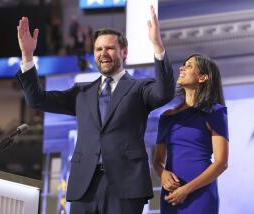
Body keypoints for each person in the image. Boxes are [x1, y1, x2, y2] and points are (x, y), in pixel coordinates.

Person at [16, 6, 174, 214]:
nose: (103, 54)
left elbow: (164, 92)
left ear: (124, 52)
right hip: (85, 187)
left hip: (125, 186)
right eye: (98, 49)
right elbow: (37, 100)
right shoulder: (81, 93)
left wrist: (157, 46)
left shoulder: (139, 88)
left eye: (109, 48)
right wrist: (27, 57)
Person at [153, 54, 229, 214]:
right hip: (171, 195)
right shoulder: (167, 117)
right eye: (183, 64)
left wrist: (186, 189)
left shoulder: (215, 112)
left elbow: (221, 163)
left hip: (200, 195)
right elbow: (158, 161)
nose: (181, 68)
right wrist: (163, 173)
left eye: (189, 66)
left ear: (202, 77)